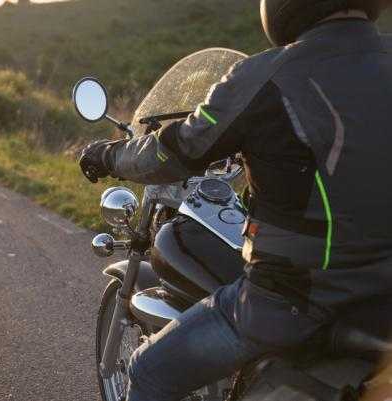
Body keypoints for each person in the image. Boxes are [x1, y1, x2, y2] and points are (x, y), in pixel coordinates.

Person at [79, 1, 392, 400]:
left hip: (290, 302)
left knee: (148, 370)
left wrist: (107, 155)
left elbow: (173, 152)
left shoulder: (265, 75)